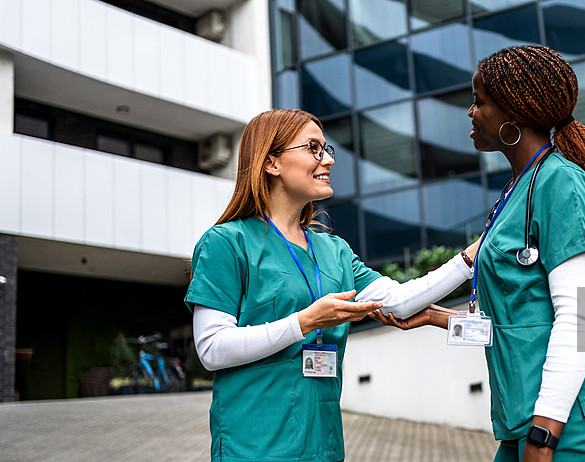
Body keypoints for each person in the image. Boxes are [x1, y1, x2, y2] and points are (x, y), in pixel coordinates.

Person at [370, 45, 585, 462]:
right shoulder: (517, 192)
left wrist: (544, 435)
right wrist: (434, 317)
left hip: (571, 413)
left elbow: (577, 317)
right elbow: (513, 324)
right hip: (527, 413)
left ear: (513, 113)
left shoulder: (560, 183)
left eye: (479, 101)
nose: (470, 112)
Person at [184, 109, 480, 462]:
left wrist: (470, 258)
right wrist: (304, 322)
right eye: (313, 148)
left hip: (323, 447)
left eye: (327, 149)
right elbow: (212, 348)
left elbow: (400, 303)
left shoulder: (334, 250)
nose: (327, 160)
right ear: (272, 163)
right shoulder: (226, 243)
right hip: (253, 448)